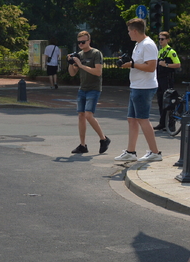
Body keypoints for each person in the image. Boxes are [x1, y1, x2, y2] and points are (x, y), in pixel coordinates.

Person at [114, 18, 162, 162]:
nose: (128, 34)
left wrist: (132, 65)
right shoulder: (139, 44)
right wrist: (129, 63)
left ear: (135, 31)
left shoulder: (148, 44)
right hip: (137, 86)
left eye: (129, 31)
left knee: (142, 119)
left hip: (144, 87)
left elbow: (151, 67)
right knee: (132, 119)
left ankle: (155, 152)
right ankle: (131, 151)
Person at [67, 31, 111, 154]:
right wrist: (71, 63)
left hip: (94, 88)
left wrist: (81, 65)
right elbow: (72, 73)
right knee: (81, 115)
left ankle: (104, 139)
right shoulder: (79, 55)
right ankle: (82, 145)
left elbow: (98, 72)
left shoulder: (96, 53)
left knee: (88, 115)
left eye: (83, 42)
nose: (81, 44)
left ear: (89, 41)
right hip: (83, 88)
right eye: (79, 42)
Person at [153, 31, 181, 131]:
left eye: (162, 39)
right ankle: (162, 123)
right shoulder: (160, 51)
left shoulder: (171, 51)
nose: (160, 41)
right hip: (160, 79)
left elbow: (178, 64)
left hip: (167, 79)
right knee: (161, 101)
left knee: (168, 101)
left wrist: (166, 65)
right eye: (159, 39)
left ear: (167, 40)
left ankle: (171, 125)